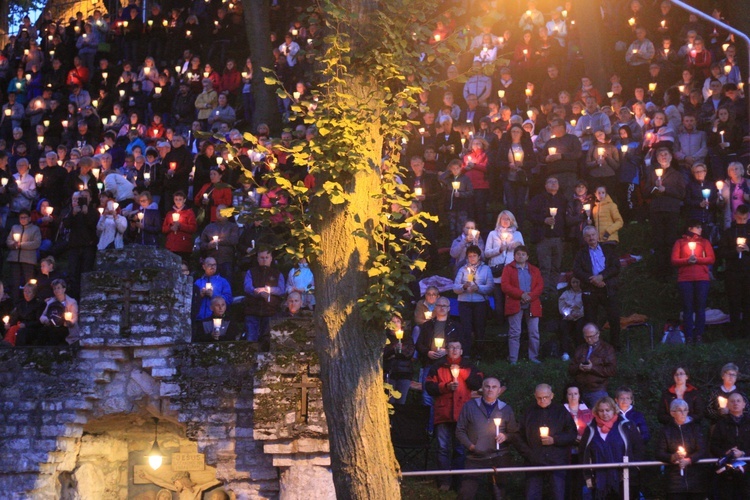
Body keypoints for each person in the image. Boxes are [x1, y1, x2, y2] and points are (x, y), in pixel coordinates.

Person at [424, 338, 483, 492]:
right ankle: (444, 481)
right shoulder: (437, 366)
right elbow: (429, 387)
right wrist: (446, 386)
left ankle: (458, 482)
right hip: (443, 413)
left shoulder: (469, 366)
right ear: (446, 350)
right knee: (442, 448)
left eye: (457, 347)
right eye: (451, 347)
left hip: (462, 414)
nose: (455, 350)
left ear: (462, 351)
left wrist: (460, 373)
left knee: (459, 449)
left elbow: (477, 383)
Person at [456, 376, 519, 499]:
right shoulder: (470, 406)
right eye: (487, 386)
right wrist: (471, 446)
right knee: (466, 492)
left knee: (499, 493)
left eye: (494, 387)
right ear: (482, 389)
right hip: (475, 456)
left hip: (499, 455)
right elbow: (460, 431)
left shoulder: (506, 409)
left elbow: (514, 433)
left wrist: (505, 436)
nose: (490, 389)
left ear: (499, 390)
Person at [515, 384, 578, 500]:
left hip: (556, 460)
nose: (542, 400)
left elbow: (572, 434)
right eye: (539, 398)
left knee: (558, 494)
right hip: (534, 460)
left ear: (552, 396)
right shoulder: (529, 412)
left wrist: (555, 440)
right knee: (532, 494)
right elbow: (518, 436)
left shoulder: (561, 411)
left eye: (546, 397)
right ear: (535, 396)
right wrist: (529, 454)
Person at [579, 397, 644, 500]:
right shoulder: (590, 428)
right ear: (597, 412)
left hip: (623, 478)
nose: (605, 413)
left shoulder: (627, 426)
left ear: (614, 410)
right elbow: (583, 451)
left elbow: (638, 448)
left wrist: (635, 468)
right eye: (601, 410)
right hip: (598, 479)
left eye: (607, 410)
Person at [416, 296, 460, 433]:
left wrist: (447, 351)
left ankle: (441, 429)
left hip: (447, 365)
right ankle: (427, 430)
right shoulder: (427, 325)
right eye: (439, 305)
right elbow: (419, 344)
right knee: (426, 397)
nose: (442, 308)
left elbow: (461, 344)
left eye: (444, 306)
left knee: (444, 397)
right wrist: (428, 352)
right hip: (430, 364)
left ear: (449, 308)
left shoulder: (454, 326)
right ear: (435, 307)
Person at [573, 226, 622, 348]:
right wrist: (593, 279)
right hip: (591, 289)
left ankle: (615, 347)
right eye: (588, 236)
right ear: (584, 238)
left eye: (593, 235)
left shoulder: (607, 249)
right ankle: (593, 347)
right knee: (591, 320)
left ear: (597, 235)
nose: (591, 238)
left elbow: (616, 266)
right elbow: (577, 271)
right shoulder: (581, 253)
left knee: (614, 318)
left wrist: (602, 277)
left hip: (607, 287)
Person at [671, 221, 715, 344]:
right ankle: (689, 336)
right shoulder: (680, 242)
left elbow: (711, 258)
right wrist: (687, 260)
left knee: (700, 308)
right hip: (685, 279)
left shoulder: (704, 242)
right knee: (687, 308)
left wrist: (698, 260)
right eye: (698, 227)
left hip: (702, 278)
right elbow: (674, 260)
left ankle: (699, 335)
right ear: (690, 228)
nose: (700, 229)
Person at [645, 147, 687, 279]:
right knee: (658, 241)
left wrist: (666, 189)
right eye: (660, 155)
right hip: (656, 210)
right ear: (657, 159)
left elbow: (681, 194)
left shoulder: (677, 174)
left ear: (671, 157)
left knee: (670, 240)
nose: (663, 156)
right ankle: (659, 272)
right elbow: (646, 192)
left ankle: (671, 271)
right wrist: (655, 188)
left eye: (665, 154)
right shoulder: (652, 174)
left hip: (671, 211)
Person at [655, 399, 708, 499]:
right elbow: (659, 452)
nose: (683, 413)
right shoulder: (666, 430)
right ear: (672, 413)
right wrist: (672, 457)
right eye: (679, 410)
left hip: (695, 480)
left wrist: (689, 460)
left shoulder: (695, 428)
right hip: (675, 482)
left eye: (685, 410)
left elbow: (702, 450)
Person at [501, 245, 543, 364]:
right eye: (518, 254)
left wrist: (530, 296)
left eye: (523, 254)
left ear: (527, 256)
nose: (520, 256)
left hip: (532, 303)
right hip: (515, 303)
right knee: (515, 332)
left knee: (534, 332)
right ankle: (513, 359)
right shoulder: (508, 269)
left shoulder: (534, 269)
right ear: (514, 256)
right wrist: (521, 294)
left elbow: (540, 286)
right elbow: (505, 285)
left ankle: (533, 357)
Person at [528, 176, 567, 297]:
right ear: (545, 185)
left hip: (558, 238)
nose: (554, 183)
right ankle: (544, 292)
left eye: (556, 182)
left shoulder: (563, 199)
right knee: (545, 267)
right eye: (550, 181)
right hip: (544, 237)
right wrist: (543, 220)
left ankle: (553, 291)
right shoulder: (538, 199)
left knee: (556, 266)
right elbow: (529, 214)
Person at [484, 210, 524, 325]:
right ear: (499, 220)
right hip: (497, 271)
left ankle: (511, 324)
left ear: (512, 220)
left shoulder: (517, 234)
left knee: (510, 300)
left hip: (511, 272)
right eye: (503, 219)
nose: (505, 221)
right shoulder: (493, 234)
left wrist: (516, 247)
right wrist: (500, 249)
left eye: (508, 219)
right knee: (498, 301)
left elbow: (523, 254)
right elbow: (486, 253)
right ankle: (499, 324)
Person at [709, 393, 750, 499]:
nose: (735, 403)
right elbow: (713, 445)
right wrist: (726, 453)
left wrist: (743, 453)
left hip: (747, 471)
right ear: (727, 405)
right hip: (727, 473)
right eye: (732, 401)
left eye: (738, 401)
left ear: (744, 404)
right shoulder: (721, 424)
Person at [453, 244, 493, 355]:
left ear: (479, 256)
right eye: (470, 256)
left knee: (479, 327)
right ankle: (466, 353)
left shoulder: (486, 269)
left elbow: (490, 287)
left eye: (474, 255)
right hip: (464, 302)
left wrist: (478, 288)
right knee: (466, 328)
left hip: (480, 303)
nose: (472, 258)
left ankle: (479, 352)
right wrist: (463, 287)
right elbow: (455, 287)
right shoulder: (462, 269)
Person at [243, 249, 285, 349]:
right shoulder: (251, 272)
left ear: (271, 259)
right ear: (257, 259)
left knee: (268, 342)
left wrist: (268, 290)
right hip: (252, 310)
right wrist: (259, 293)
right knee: (251, 340)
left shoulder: (277, 273)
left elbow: (282, 290)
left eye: (266, 257)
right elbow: (247, 287)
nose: (264, 260)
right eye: (262, 258)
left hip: (270, 311)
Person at [719, 205, 750, 338]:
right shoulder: (728, 232)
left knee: (747, 302)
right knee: (734, 302)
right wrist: (734, 252)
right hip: (733, 272)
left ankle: (746, 332)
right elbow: (721, 252)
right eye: (739, 218)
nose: (741, 220)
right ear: (735, 216)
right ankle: (735, 333)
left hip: (748, 272)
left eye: (744, 218)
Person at [568, 323, 617, 407]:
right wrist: (579, 367)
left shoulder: (607, 349)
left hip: (598, 390)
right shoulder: (580, 348)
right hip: (581, 390)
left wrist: (593, 368)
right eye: (586, 337)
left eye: (591, 336)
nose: (589, 339)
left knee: (599, 416)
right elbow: (570, 368)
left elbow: (612, 370)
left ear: (598, 334)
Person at [564, 383, 593, 500]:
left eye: (575, 393)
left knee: (582, 481)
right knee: (568, 481)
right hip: (567, 452)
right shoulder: (561, 411)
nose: (573, 397)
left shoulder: (588, 412)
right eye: (570, 394)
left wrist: (583, 438)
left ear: (580, 395)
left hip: (584, 451)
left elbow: (592, 430)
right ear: (566, 396)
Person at [5, 209, 41, 303]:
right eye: (21, 217)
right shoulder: (15, 228)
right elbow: (8, 241)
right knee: (14, 283)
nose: (23, 219)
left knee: (29, 283)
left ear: (29, 218)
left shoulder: (35, 229)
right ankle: (15, 304)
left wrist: (21, 244)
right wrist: (13, 244)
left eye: (25, 217)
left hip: (28, 260)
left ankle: (30, 303)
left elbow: (36, 243)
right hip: (14, 259)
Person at [383, 313, 415, 405]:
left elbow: (409, 353)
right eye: (393, 322)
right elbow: (385, 354)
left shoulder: (407, 338)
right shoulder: (385, 338)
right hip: (390, 372)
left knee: (401, 401)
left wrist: (398, 352)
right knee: (390, 401)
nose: (396, 324)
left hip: (404, 373)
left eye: (398, 321)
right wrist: (394, 350)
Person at [37, 279, 80, 345]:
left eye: (58, 288)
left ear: (64, 289)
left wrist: (69, 322)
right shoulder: (50, 302)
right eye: (54, 289)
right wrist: (47, 320)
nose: (56, 290)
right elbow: (42, 316)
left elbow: (75, 317)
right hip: (52, 325)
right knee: (44, 332)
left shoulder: (71, 302)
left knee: (56, 332)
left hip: (66, 327)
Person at [192, 257, 233, 325]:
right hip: (199, 318)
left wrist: (214, 295)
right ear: (204, 266)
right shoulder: (198, 282)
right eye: (209, 265)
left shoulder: (223, 281)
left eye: (214, 265)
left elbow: (229, 299)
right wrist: (199, 295)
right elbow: (191, 299)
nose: (212, 267)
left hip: (216, 319)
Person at [137, 470, 221, 500]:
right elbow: (162, 483)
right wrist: (148, 476)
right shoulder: (180, 491)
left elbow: (212, 482)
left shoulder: (197, 489)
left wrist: (225, 476)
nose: (175, 485)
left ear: (182, 481)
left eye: (176, 483)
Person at [558, 277, 585, 361]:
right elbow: (562, 306)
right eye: (573, 282)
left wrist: (578, 314)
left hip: (580, 316)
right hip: (568, 317)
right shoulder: (565, 293)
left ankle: (579, 352)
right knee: (563, 328)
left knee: (580, 328)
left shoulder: (584, 293)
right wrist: (568, 314)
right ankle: (565, 353)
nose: (575, 284)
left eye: (577, 282)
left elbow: (585, 307)